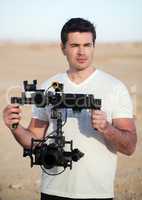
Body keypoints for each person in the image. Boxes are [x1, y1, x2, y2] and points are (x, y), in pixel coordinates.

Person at [3, 18, 137, 200]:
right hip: (53, 190)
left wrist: (106, 127)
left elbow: (129, 146)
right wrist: (15, 127)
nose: (82, 52)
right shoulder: (49, 87)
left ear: (94, 46)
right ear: (63, 48)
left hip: (96, 193)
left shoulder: (114, 87)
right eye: (74, 45)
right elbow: (34, 141)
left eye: (87, 45)